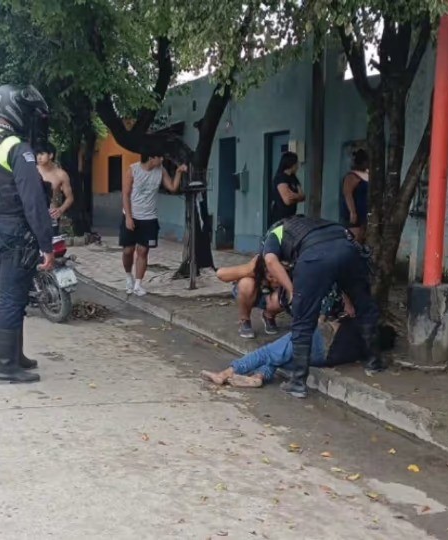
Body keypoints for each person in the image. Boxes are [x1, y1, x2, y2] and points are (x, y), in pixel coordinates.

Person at [0, 84, 55, 384]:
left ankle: (16, 356)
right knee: (11, 299)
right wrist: (47, 243)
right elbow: (33, 200)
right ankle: (6, 366)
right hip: (12, 232)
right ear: (12, 111)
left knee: (10, 295)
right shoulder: (16, 146)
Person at [262, 215, 383, 398]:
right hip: (349, 250)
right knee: (365, 307)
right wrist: (348, 298)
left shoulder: (275, 233)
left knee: (303, 320)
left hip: (314, 257)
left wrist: (291, 290)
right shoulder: (318, 223)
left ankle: (298, 382)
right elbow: (335, 261)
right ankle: (373, 361)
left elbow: (270, 261)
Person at [200, 287, 361, 387]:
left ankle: (225, 373)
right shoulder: (366, 333)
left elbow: (326, 321)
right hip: (326, 357)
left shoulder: (340, 306)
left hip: (320, 340)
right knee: (278, 357)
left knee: (269, 352)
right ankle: (258, 377)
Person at [121, 147, 187, 296]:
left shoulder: (161, 171)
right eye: (160, 157)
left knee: (143, 251)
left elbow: (172, 187)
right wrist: (128, 217)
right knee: (128, 250)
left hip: (149, 217)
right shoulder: (133, 170)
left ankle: (138, 284)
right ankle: (128, 276)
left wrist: (178, 172)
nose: (162, 160)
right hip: (132, 215)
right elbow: (125, 195)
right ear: (151, 157)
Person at [216, 255, 282, 339]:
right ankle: (245, 320)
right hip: (254, 292)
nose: (275, 280)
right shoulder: (259, 264)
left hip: (274, 297)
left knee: (290, 294)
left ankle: (269, 316)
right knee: (246, 283)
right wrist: (249, 269)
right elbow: (220, 274)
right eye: (271, 276)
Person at [35, 142, 74, 235]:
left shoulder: (61, 174)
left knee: (52, 246)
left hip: (51, 214)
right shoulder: (32, 170)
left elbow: (70, 198)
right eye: (37, 154)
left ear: (51, 155)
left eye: (42, 154)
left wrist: (60, 210)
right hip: (33, 213)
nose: (38, 157)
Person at [340, 149, 370, 243]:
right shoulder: (352, 176)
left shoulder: (366, 175)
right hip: (355, 213)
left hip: (364, 213)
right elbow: (347, 194)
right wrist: (352, 212)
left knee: (362, 237)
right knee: (354, 238)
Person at [268, 151, 304, 228]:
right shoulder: (280, 178)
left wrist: (294, 196)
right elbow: (287, 200)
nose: (297, 166)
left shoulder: (294, 178)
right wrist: (297, 196)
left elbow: (303, 196)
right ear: (291, 164)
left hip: (291, 218)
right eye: (296, 163)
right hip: (280, 220)